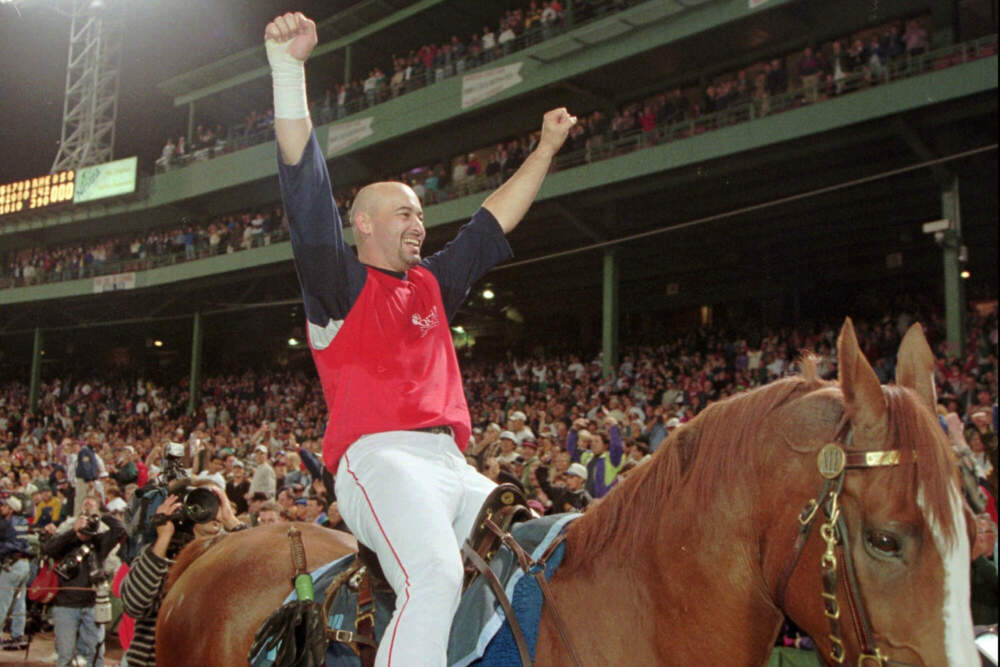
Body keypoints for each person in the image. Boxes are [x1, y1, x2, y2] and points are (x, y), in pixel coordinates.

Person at [264, 11, 576, 666]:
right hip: (380, 459)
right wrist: (288, 70)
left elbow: (491, 222)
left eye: (421, 213)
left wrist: (544, 151)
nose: (419, 221)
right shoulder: (336, 285)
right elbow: (304, 184)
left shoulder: (432, 283)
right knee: (434, 576)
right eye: (406, 211)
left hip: (451, 466)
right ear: (365, 226)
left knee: (541, 567)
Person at [120, 484, 246, 667]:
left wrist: (233, 522)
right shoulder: (160, 556)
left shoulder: (224, 558)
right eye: (203, 502)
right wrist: (164, 536)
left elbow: (262, 575)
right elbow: (133, 604)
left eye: (216, 503)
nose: (213, 511)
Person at [41, 496, 126, 667]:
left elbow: (120, 529)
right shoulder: (67, 542)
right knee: (65, 657)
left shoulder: (100, 542)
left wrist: (99, 514)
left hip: (93, 605)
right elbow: (49, 549)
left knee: (95, 657)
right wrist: (74, 531)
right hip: (65, 605)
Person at [0, 496, 31, 651]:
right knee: (20, 603)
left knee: (2, 602)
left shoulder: (6, 523)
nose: (1, 508)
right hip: (24, 565)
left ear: (10, 509)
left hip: (12, 566)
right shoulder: (23, 521)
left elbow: (6, 546)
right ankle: (18, 635)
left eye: (4, 506)